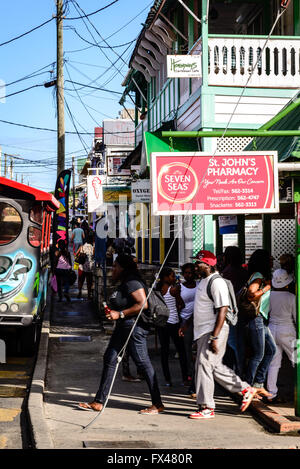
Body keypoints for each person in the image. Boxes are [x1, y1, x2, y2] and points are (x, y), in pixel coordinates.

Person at [179, 250, 269, 419]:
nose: (196, 267)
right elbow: (201, 307)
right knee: (208, 367)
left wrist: (214, 336)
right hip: (203, 331)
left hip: (213, 330)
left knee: (206, 366)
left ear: (208, 265)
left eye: (199, 264)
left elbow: (223, 309)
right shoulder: (204, 282)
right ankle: (243, 389)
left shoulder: (217, 282)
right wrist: (187, 324)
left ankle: (207, 406)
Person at [78, 254, 164, 414]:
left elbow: (143, 303)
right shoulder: (126, 282)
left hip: (133, 327)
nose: (113, 269)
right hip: (123, 327)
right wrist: (115, 312)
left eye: (116, 266)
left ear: (123, 268)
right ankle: (99, 401)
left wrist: (121, 314)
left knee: (143, 363)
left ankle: (157, 403)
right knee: (110, 358)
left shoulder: (132, 282)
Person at [243, 249, 277, 392]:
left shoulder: (259, 276)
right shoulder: (258, 276)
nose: (272, 262)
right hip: (256, 319)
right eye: (270, 259)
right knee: (258, 354)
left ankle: (258, 383)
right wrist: (267, 288)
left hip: (261, 319)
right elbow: (251, 294)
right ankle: (249, 386)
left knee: (271, 350)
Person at [266, 268, 296, 403]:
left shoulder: (269, 295)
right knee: (297, 360)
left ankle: (271, 393)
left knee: (274, 364)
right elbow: (296, 318)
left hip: (271, 329)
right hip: (288, 330)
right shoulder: (292, 297)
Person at [156, 267, 188, 387]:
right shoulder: (173, 290)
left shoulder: (157, 289)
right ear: (165, 277)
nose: (174, 278)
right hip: (173, 323)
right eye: (172, 276)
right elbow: (182, 304)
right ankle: (185, 378)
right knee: (181, 351)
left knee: (164, 352)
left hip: (161, 323)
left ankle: (167, 379)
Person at [222, 246, 249, 375]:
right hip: (242, 311)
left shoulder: (227, 272)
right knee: (240, 341)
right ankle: (241, 368)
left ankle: (234, 370)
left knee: (232, 342)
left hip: (230, 311)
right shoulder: (244, 271)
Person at [177, 263, 198, 391]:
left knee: (196, 350)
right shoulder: (179, 288)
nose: (188, 275)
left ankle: (194, 376)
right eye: (186, 273)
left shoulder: (200, 285)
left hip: (198, 320)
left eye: (191, 273)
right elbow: (179, 306)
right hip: (185, 321)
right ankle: (189, 375)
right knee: (187, 350)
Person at [76, 234, 95, 300]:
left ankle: (79, 292)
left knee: (81, 280)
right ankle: (89, 295)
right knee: (89, 282)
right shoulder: (93, 248)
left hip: (82, 267)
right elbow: (94, 256)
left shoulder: (82, 247)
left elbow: (76, 254)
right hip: (90, 267)